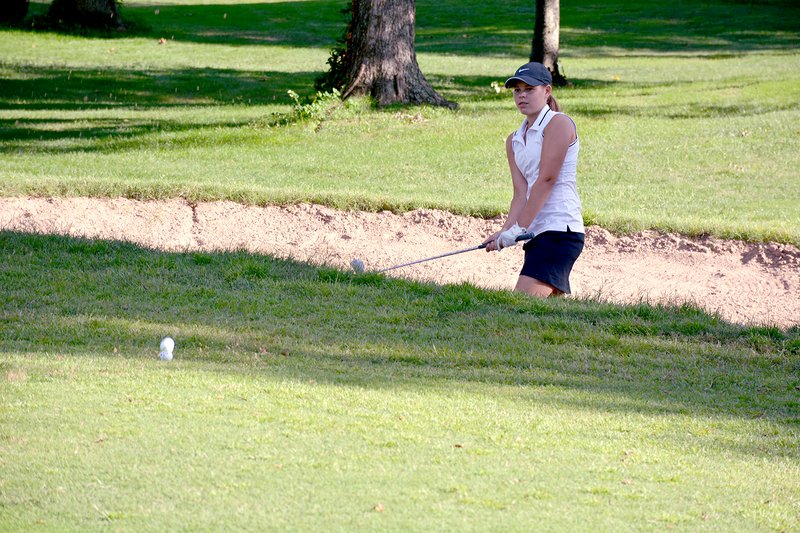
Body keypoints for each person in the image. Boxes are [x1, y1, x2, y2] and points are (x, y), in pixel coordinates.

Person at [484, 62, 584, 298]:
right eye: (517, 90)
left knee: (520, 305)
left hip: (560, 230)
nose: (522, 95)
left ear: (547, 91)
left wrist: (518, 228)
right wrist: (505, 231)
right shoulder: (514, 140)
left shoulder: (559, 123)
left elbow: (546, 180)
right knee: (542, 313)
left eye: (529, 89)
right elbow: (521, 193)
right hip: (536, 234)